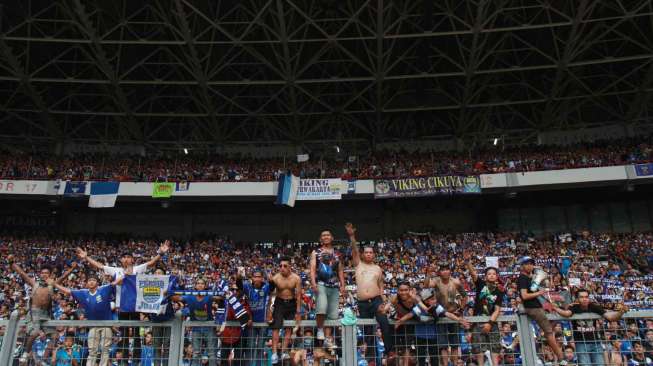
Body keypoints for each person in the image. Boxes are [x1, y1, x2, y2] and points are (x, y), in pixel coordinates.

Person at [76, 240, 170, 363]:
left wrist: (161, 253)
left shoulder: (138, 269)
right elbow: (99, 266)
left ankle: (136, 361)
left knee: (136, 335)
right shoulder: (115, 271)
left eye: (128, 257)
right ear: (121, 260)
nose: (126, 259)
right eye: (124, 257)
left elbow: (151, 263)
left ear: (132, 259)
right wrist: (86, 257)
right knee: (124, 335)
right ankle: (124, 361)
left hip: (135, 307)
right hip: (122, 307)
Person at [8, 255, 75, 365]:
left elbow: (63, 277)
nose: (44, 275)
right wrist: (12, 263)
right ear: (40, 274)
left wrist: (72, 269)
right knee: (34, 333)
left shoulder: (51, 284)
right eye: (42, 273)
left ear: (49, 275)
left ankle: (43, 359)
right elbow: (22, 274)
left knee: (55, 336)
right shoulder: (34, 283)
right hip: (34, 313)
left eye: (46, 273)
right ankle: (25, 354)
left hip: (46, 314)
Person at [347, 222, 395, 363]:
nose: (368, 254)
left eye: (370, 252)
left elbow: (381, 287)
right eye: (366, 252)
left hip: (376, 300)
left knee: (384, 323)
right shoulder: (358, 264)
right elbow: (355, 249)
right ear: (363, 254)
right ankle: (372, 359)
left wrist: (385, 302)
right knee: (368, 330)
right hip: (362, 302)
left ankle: (389, 351)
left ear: (373, 254)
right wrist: (352, 236)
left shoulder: (378, 268)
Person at [51, 273, 120, 366]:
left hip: (106, 324)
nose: (91, 282)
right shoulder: (83, 293)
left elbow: (115, 282)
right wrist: (55, 284)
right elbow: (68, 291)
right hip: (93, 326)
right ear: (87, 283)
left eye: (93, 280)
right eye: (89, 280)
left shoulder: (104, 289)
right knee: (92, 350)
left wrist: (125, 274)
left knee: (105, 349)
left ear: (97, 283)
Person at [393, 288, 470, 366]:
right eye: (432, 299)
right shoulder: (419, 308)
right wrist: (399, 321)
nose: (435, 301)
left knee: (434, 359)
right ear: (426, 301)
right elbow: (409, 315)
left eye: (435, 299)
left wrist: (459, 320)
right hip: (420, 336)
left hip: (433, 337)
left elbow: (448, 314)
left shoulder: (437, 307)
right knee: (421, 358)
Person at [552, 289, 629, 366]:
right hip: (581, 343)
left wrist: (621, 312)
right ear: (577, 299)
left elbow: (611, 318)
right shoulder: (574, 307)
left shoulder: (593, 307)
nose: (584, 299)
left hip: (595, 342)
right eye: (581, 297)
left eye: (586, 297)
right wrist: (555, 308)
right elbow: (567, 314)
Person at [516, 256, 566, 364]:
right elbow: (524, 296)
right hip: (533, 308)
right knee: (549, 332)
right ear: (522, 266)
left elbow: (549, 286)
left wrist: (546, 279)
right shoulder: (522, 278)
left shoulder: (529, 278)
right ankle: (561, 357)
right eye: (527, 264)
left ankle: (556, 353)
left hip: (536, 307)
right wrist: (539, 292)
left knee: (550, 328)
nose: (530, 265)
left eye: (531, 263)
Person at [170, 277, 221, 366]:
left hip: (209, 329)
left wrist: (223, 293)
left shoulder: (209, 296)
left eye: (202, 283)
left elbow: (220, 298)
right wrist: (169, 292)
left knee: (212, 354)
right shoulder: (190, 296)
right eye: (198, 283)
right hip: (196, 329)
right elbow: (177, 298)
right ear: (195, 286)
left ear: (205, 286)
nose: (200, 285)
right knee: (196, 354)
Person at [424, 261, 467, 366]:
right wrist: (429, 273)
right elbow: (425, 286)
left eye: (447, 269)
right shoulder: (436, 281)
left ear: (450, 271)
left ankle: (455, 364)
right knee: (443, 345)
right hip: (441, 314)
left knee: (455, 344)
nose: (445, 271)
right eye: (442, 269)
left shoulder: (456, 282)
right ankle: (445, 364)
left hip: (454, 314)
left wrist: (461, 309)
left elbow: (465, 296)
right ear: (439, 272)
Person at [466, 258, 504, 366]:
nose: (491, 275)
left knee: (495, 347)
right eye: (489, 274)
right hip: (477, 322)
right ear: (486, 276)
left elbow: (497, 310)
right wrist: (468, 262)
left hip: (492, 322)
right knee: (478, 349)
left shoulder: (499, 291)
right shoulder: (481, 285)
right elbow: (473, 274)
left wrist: (490, 323)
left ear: (497, 276)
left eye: (494, 274)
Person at [309, 229, 345, 343]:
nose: (325, 236)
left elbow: (340, 270)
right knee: (321, 308)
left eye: (328, 235)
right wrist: (313, 283)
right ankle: (320, 329)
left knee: (333, 314)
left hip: (334, 286)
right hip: (321, 284)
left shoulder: (338, 253)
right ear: (320, 239)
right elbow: (312, 269)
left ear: (332, 238)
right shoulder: (316, 252)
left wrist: (343, 285)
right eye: (323, 235)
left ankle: (327, 338)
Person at [269, 256, 302, 364]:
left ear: (290, 267)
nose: (282, 268)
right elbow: (270, 295)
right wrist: (269, 311)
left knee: (288, 329)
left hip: (291, 303)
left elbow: (299, 295)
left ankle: (283, 351)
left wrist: (298, 311)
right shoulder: (275, 278)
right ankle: (274, 353)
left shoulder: (296, 278)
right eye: (280, 266)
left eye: (284, 266)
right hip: (279, 302)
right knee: (276, 328)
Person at [236, 267, 272, 366]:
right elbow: (239, 285)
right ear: (252, 278)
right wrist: (239, 276)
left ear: (262, 278)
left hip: (263, 322)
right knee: (250, 345)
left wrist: (271, 279)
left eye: (259, 277)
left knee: (260, 346)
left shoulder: (266, 287)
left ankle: (259, 364)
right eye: (255, 277)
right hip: (251, 322)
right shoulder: (248, 287)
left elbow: (272, 286)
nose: (257, 279)